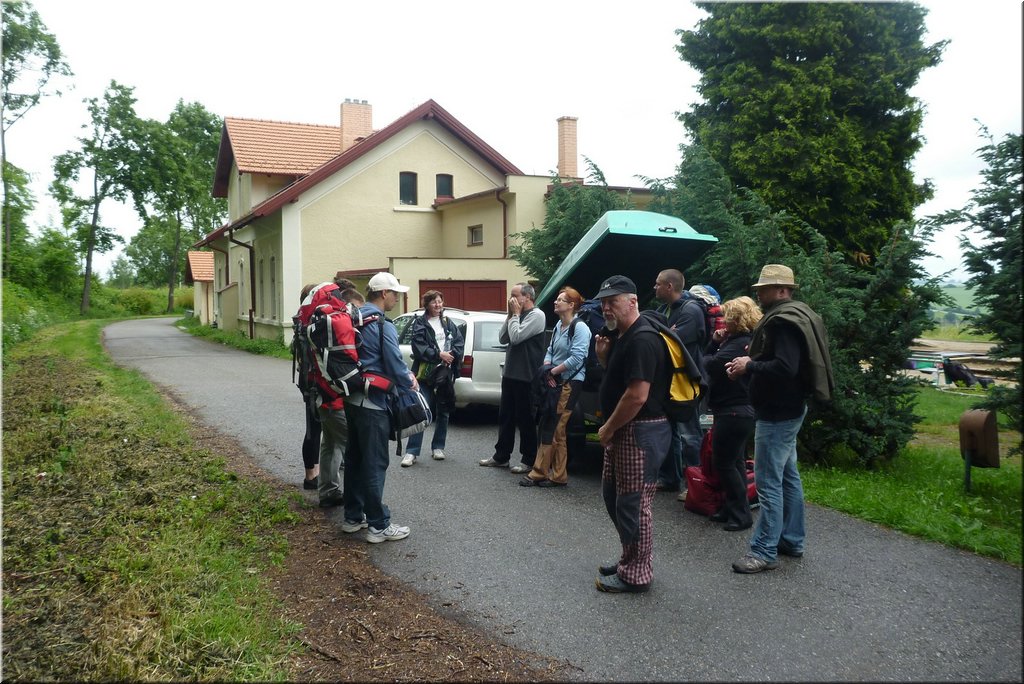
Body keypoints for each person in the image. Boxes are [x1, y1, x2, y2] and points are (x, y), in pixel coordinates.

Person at [725, 264, 834, 573]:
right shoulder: (799, 313)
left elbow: (785, 367)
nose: (759, 293)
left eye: (765, 288)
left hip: (777, 414)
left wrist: (749, 365)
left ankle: (763, 550)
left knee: (768, 483)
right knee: (788, 476)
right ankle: (792, 539)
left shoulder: (782, 322)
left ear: (783, 290)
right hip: (792, 408)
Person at [592, 275, 672, 593]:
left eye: (613, 301)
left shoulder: (642, 339)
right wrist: (602, 358)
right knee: (614, 497)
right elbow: (621, 381)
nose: (606, 307)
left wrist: (609, 427)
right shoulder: (624, 335)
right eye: (603, 302)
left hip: (640, 431)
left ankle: (637, 573)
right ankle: (630, 557)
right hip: (627, 430)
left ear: (633, 301)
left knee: (634, 504)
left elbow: (637, 396)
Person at [342, 272, 418, 543]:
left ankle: (353, 517)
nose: (397, 298)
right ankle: (378, 525)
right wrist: (410, 381)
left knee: (354, 459)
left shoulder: (354, 316)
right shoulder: (382, 324)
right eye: (395, 293)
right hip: (373, 402)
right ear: (384, 293)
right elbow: (395, 362)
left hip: (352, 397)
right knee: (375, 463)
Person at [702, 296, 762, 531]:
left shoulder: (739, 343)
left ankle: (741, 515)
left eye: (728, 316)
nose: (723, 321)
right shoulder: (738, 341)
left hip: (733, 411)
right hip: (735, 411)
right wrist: (715, 344)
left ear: (737, 319)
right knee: (734, 461)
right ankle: (732, 508)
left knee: (724, 462)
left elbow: (712, 366)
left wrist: (712, 350)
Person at [520, 287, 590, 488]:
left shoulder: (581, 328)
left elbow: (577, 358)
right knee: (556, 428)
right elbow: (549, 350)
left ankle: (539, 472)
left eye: (560, 300)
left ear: (571, 305)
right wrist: (548, 369)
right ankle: (558, 474)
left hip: (570, 383)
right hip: (555, 379)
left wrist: (552, 372)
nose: (555, 302)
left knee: (553, 426)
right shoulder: (560, 324)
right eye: (557, 299)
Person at [479, 282, 546, 474]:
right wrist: (510, 315)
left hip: (527, 375)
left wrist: (515, 316)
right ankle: (501, 456)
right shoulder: (515, 315)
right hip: (510, 373)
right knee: (505, 417)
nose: (511, 299)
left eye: (515, 295)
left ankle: (529, 459)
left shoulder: (537, 316)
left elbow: (516, 337)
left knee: (525, 418)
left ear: (527, 297)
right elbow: (502, 338)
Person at [652, 268, 706, 498]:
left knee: (690, 435)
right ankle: (670, 478)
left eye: (657, 284)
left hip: (686, 383)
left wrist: (667, 334)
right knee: (669, 432)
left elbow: (670, 343)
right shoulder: (666, 309)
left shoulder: (691, 311)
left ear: (669, 287)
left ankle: (694, 485)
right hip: (669, 382)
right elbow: (663, 337)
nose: (654, 287)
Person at [403, 290, 465, 467]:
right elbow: (418, 348)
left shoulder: (447, 322)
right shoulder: (420, 323)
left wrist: (451, 356)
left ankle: (438, 447)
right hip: (425, 375)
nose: (438, 305)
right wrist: (439, 355)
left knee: (443, 410)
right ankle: (411, 452)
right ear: (427, 305)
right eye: (434, 302)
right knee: (422, 410)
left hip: (445, 374)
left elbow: (459, 343)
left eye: (440, 301)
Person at [295, 283, 321, 491]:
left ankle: (312, 473)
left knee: (313, 427)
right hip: (315, 381)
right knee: (314, 428)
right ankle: (312, 475)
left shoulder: (301, 320)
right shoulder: (312, 321)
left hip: (306, 380)